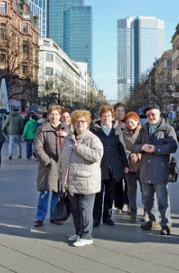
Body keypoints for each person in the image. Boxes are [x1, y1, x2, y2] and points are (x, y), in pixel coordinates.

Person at [58, 110, 104, 247]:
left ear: (88, 123)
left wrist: (80, 148)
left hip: (87, 180)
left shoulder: (92, 139)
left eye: (82, 121)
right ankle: (78, 233)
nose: (79, 124)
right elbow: (62, 158)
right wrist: (61, 175)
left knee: (85, 209)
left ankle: (87, 236)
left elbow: (97, 156)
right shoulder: (68, 138)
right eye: (77, 121)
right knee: (75, 209)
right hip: (71, 180)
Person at [133, 104, 178, 236]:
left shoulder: (168, 129)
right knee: (147, 199)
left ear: (159, 114)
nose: (151, 117)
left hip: (160, 169)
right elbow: (135, 145)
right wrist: (142, 147)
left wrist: (156, 149)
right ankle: (153, 220)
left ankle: (166, 223)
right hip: (145, 169)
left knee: (162, 199)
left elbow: (173, 146)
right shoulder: (143, 129)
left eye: (153, 114)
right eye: (148, 115)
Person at [90, 105, 129, 227]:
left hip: (114, 165)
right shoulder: (95, 130)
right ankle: (96, 218)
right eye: (103, 116)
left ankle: (107, 217)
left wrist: (125, 164)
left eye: (108, 116)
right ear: (100, 117)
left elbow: (122, 148)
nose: (106, 118)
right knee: (98, 193)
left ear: (112, 117)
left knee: (110, 193)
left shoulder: (117, 130)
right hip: (99, 165)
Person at [33, 105, 69, 227]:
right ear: (48, 115)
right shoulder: (42, 128)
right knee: (44, 193)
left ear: (60, 116)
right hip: (47, 165)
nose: (54, 116)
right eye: (51, 114)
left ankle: (54, 216)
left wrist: (66, 136)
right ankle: (40, 218)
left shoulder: (65, 128)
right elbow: (38, 147)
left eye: (56, 114)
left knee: (57, 192)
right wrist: (47, 161)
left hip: (61, 165)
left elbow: (72, 144)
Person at [122, 111, 142, 223]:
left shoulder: (144, 132)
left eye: (132, 122)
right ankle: (133, 213)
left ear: (137, 121)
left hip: (142, 166)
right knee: (131, 191)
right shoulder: (123, 133)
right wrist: (130, 155)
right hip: (129, 167)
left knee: (146, 191)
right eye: (127, 122)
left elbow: (146, 146)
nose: (130, 124)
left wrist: (138, 155)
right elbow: (121, 147)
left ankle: (146, 213)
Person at [112, 102, 127, 214]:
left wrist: (126, 127)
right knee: (117, 183)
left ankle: (129, 204)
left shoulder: (130, 123)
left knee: (129, 184)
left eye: (122, 110)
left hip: (128, 157)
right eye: (118, 110)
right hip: (116, 158)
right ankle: (119, 206)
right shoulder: (111, 124)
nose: (120, 112)